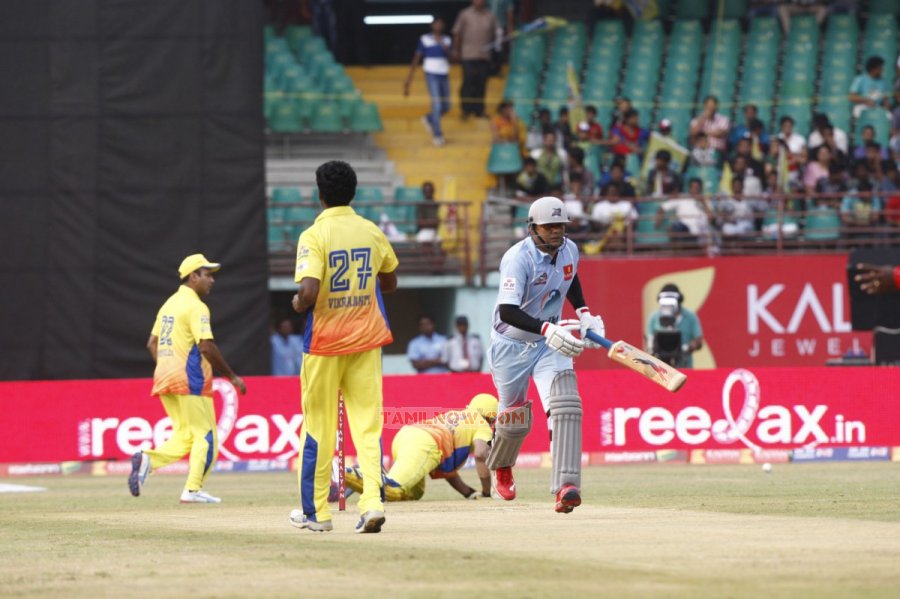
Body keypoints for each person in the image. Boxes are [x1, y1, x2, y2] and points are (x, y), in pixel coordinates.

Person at [289, 160, 399, 534]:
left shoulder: (313, 235)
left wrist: (298, 304)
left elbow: (308, 292)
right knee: (368, 428)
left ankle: (316, 513)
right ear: (353, 193)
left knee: (317, 428)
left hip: (323, 345)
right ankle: (372, 503)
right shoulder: (371, 231)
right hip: (367, 341)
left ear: (320, 195)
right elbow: (391, 281)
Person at [487, 195, 606, 514]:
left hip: (547, 342)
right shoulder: (517, 258)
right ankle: (502, 466)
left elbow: (570, 277)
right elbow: (509, 311)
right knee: (513, 417)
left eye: (560, 225)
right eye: (549, 226)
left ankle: (567, 487)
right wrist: (546, 329)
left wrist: (583, 313)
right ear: (532, 227)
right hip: (511, 343)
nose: (556, 231)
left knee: (566, 404)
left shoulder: (569, 249)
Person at [129, 254, 247, 504]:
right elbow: (206, 346)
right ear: (193, 277)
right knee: (207, 436)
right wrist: (232, 376)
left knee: (185, 436)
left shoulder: (169, 304)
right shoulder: (196, 306)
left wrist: (167, 366)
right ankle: (192, 489)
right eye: (207, 274)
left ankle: (147, 459)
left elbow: (152, 343)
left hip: (164, 376)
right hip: (190, 379)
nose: (212, 280)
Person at [343, 394, 497, 501]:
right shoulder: (482, 423)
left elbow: (449, 473)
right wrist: (486, 491)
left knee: (413, 494)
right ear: (490, 417)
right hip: (425, 444)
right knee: (394, 489)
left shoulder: (458, 416)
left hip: (407, 436)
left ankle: (369, 474)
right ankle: (345, 472)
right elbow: (480, 454)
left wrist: (470, 493)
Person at [404, 17, 452, 147]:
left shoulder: (447, 40)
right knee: (436, 105)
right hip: (431, 74)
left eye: (440, 23)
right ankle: (437, 136)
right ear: (431, 25)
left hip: (444, 74)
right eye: (436, 23)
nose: (438, 25)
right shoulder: (425, 39)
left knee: (446, 107)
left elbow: (453, 58)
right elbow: (417, 58)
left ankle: (428, 119)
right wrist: (409, 79)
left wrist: (445, 47)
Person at [452, 0, 497, 119]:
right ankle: (465, 110)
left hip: (484, 56)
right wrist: (456, 50)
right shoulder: (464, 14)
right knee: (468, 82)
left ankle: (479, 110)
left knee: (481, 83)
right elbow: (457, 33)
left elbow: (495, 35)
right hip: (468, 54)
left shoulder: (490, 16)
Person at [645, 283, 703, 368]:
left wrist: (685, 348)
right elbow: (649, 340)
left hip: (684, 365)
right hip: (660, 367)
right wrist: (653, 348)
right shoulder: (654, 317)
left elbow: (699, 341)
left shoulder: (690, 316)